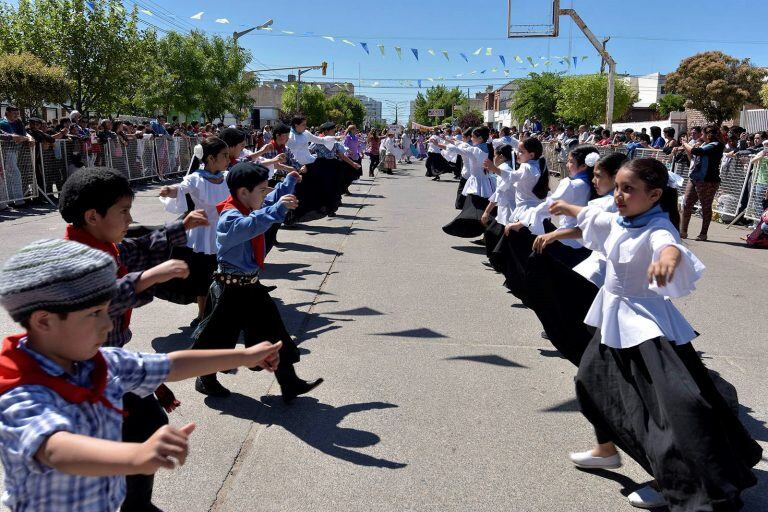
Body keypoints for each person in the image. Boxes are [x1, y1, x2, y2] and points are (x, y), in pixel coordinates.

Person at [0, 239, 283, 512]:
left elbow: (171, 365)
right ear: (44, 321)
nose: (108, 322)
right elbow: (54, 449)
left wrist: (243, 356)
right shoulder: (21, 391)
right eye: (95, 313)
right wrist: (136, 456)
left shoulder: (100, 362)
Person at [572, 158, 761, 510]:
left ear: (655, 194)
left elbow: (667, 244)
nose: (619, 195)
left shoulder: (658, 225)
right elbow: (593, 222)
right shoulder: (621, 217)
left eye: (628, 189)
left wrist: (670, 258)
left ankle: (672, 481)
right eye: (617, 187)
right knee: (592, 384)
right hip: (613, 321)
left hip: (644, 327)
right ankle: (606, 449)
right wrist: (564, 209)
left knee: (670, 412)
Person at [57, 167, 208, 511]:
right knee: (138, 427)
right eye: (123, 211)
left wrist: (178, 228)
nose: (129, 218)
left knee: (145, 423)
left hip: (106, 363)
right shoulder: (73, 258)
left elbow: (136, 248)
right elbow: (96, 300)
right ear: (93, 216)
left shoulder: (105, 246)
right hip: (81, 372)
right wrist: (142, 280)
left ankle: (133, 501)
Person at [191, 162, 323, 401]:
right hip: (228, 290)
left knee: (275, 332)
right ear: (243, 192)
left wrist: (289, 182)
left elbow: (271, 200)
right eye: (262, 190)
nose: (266, 193)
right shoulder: (230, 218)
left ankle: (289, 382)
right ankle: (205, 379)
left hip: (250, 286)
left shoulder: (249, 204)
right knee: (217, 338)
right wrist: (277, 210)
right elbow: (252, 224)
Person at [157, 137, 231, 323]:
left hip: (224, 230)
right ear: (211, 158)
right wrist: (169, 190)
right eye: (224, 155)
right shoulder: (196, 178)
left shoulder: (227, 177)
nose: (228, 159)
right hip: (202, 234)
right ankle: (202, 314)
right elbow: (181, 188)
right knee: (202, 276)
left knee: (225, 274)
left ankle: (224, 312)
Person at [680, 125, 724, 241]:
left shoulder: (716, 145)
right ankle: (683, 231)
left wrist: (685, 143)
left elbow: (696, 151)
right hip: (694, 178)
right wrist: (687, 147)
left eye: (703, 134)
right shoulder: (704, 144)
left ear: (708, 135)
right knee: (687, 203)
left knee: (705, 206)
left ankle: (703, 233)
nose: (701, 136)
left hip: (708, 180)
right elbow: (693, 157)